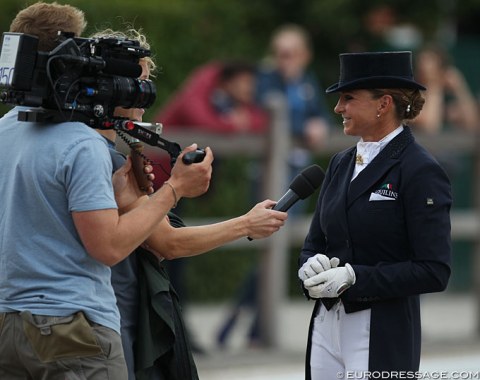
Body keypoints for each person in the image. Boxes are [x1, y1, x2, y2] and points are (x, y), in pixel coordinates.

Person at [0, 3, 212, 380]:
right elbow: (109, 248)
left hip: (7, 324)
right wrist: (175, 188)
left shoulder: (5, 129)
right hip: (72, 330)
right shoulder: (82, 146)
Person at [92, 29, 288, 380]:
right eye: (139, 83)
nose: (146, 94)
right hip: (105, 322)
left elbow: (258, 119)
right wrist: (244, 223)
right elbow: (169, 243)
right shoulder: (105, 159)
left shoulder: (31, 133)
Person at [298, 51, 452, 379]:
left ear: (383, 104)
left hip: (381, 327)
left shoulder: (420, 169)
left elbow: (434, 270)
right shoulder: (340, 162)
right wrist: (308, 266)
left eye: (348, 98)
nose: (339, 108)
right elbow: (315, 242)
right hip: (326, 325)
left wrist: (357, 278)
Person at [412, 45, 479, 133]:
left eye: (430, 63)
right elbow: (430, 126)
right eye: (421, 62)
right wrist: (433, 87)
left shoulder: (449, 97)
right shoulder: (411, 95)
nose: (423, 67)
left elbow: (472, 122)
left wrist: (460, 88)